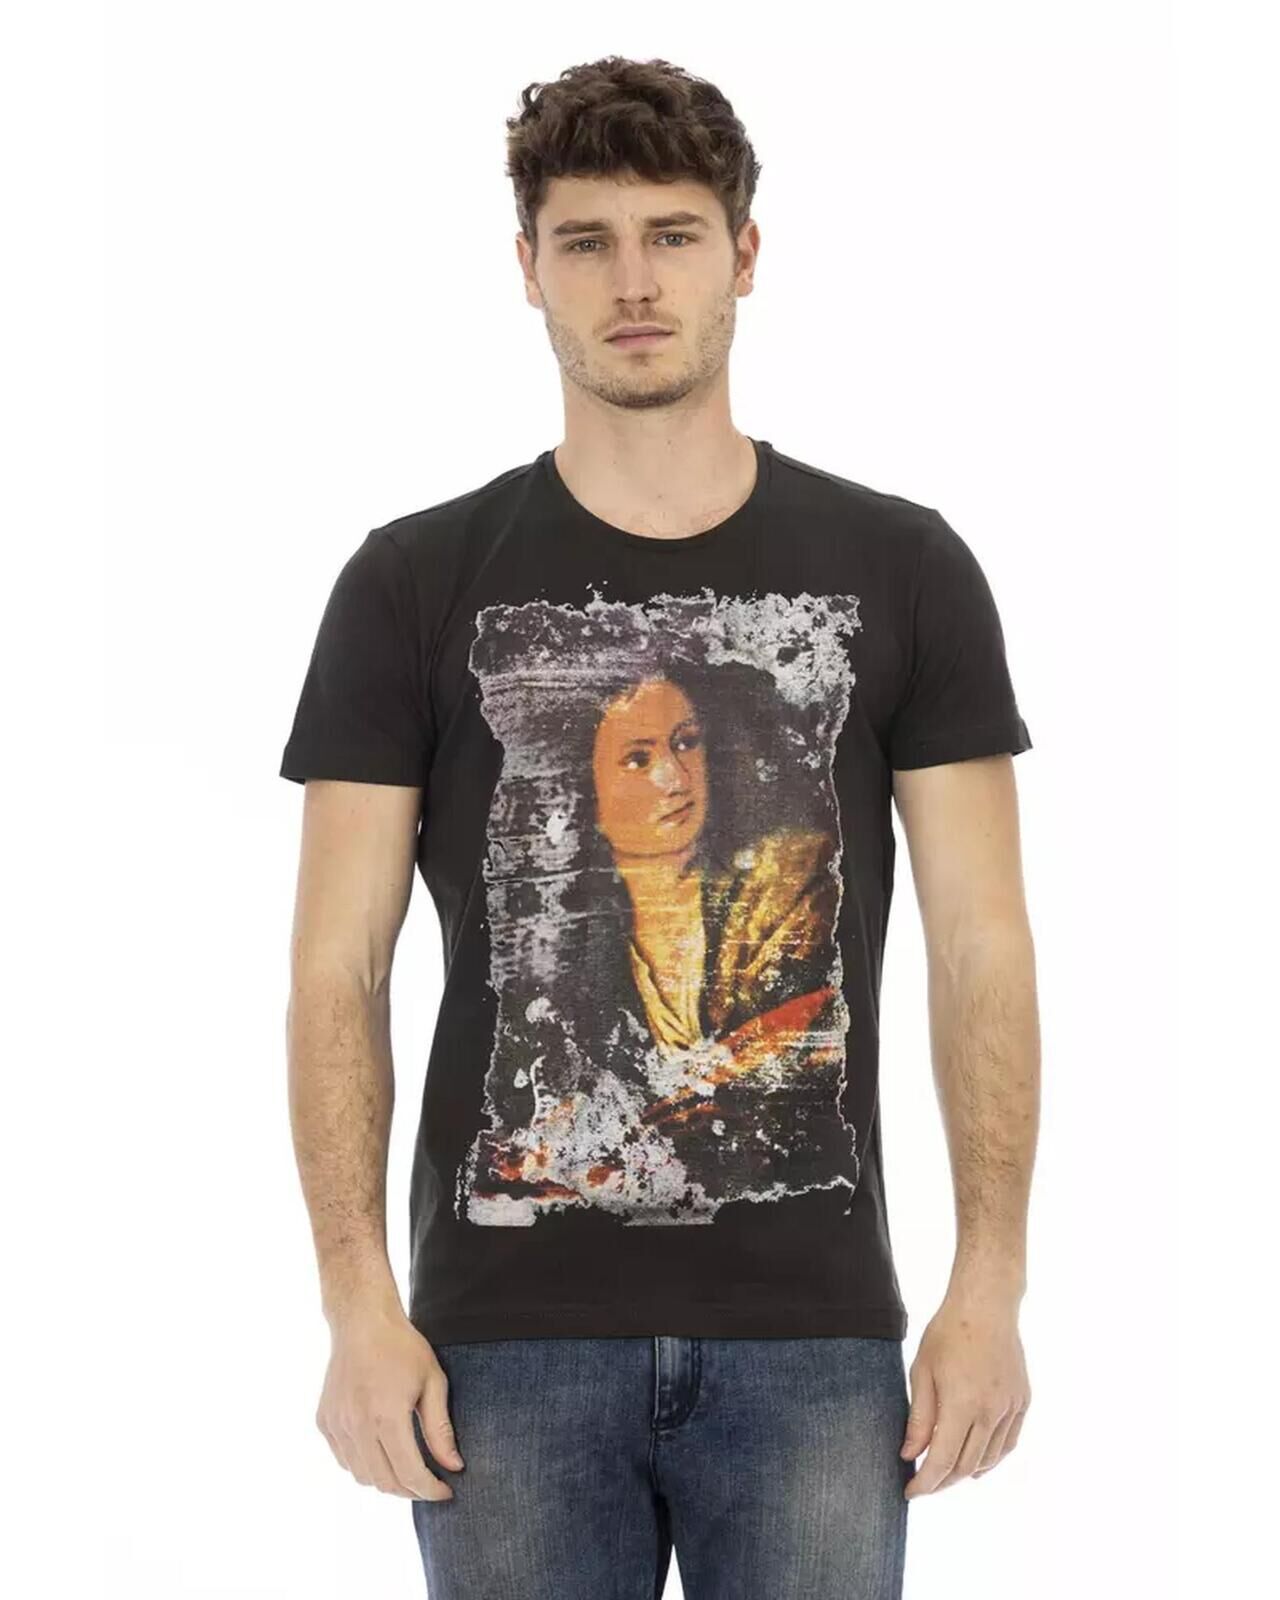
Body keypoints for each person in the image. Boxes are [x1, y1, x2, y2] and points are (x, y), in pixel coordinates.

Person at [279, 53, 1038, 1600]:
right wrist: (356, 1306)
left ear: (743, 256)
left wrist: (992, 1286)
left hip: (815, 1338)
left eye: (674, 236)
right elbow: (334, 971)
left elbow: (983, 946)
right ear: (528, 268)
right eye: (588, 240)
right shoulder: (412, 582)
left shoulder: (903, 568)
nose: (633, 282)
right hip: (501, 1348)